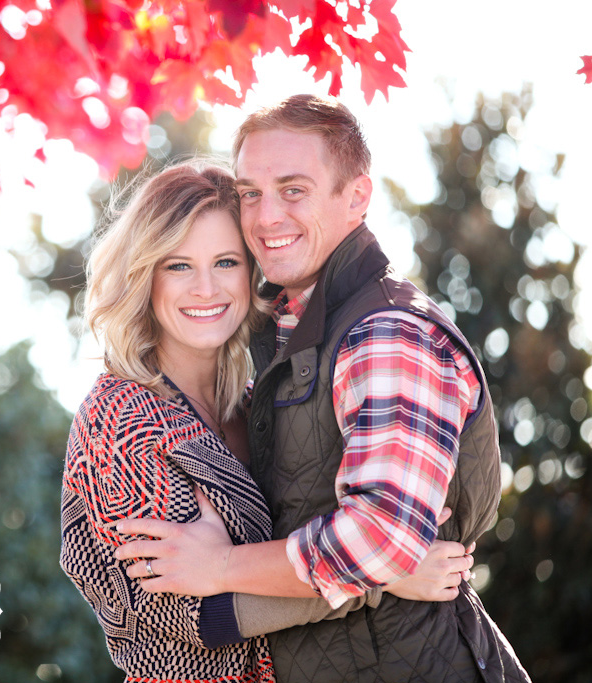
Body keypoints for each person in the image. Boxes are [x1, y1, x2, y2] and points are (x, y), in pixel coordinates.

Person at [113, 96, 531, 682]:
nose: (264, 218)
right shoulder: (283, 335)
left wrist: (224, 567)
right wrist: (382, 582)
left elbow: (381, 539)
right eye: (251, 193)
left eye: (293, 189)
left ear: (356, 196)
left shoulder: (385, 334)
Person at [61, 160, 475, 682]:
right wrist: (382, 576)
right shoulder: (119, 419)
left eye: (227, 262)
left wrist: (380, 541)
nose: (206, 289)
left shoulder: (260, 406)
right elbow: (199, 614)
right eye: (178, 266)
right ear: (145, 275)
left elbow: (349, 522)